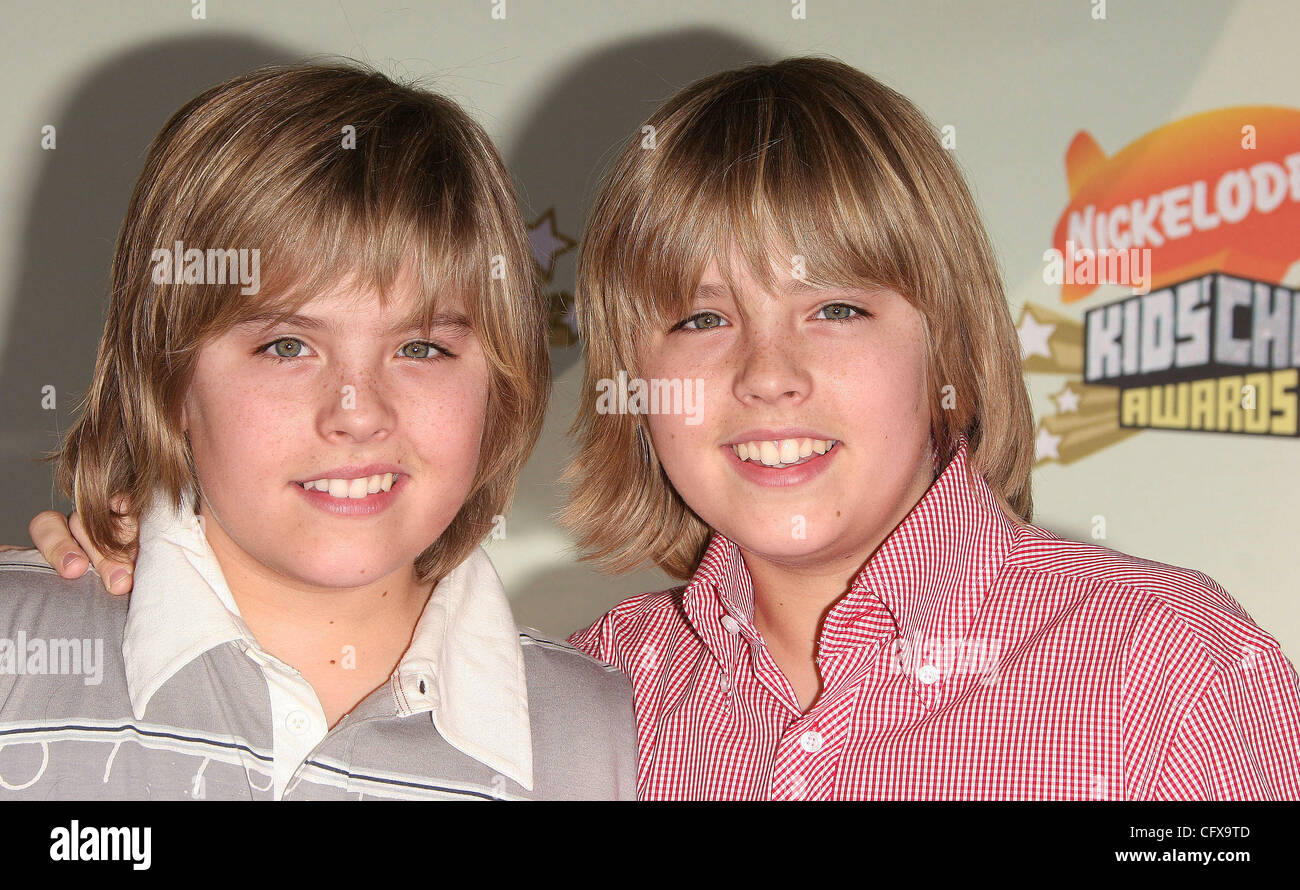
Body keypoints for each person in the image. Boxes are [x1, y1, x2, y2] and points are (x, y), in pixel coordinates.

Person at [23, 57, 1300, 801]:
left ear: (951, 349)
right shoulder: (602, 703)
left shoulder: (1162, 671)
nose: (768, 374)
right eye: (698, 321)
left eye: (837, 306)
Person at [0, 62, 636, 800]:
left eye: (421, 348)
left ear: (500, 385)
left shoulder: (601, 740)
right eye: (287, 347)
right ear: (168, 377)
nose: (358, 412)